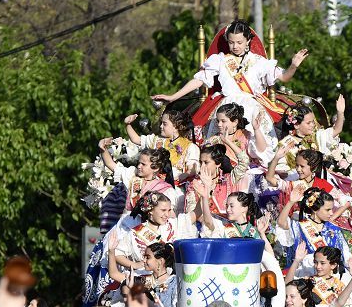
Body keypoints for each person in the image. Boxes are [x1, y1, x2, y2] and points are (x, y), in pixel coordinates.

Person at [152, 19, 309, 151]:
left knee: (257, 144)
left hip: (252, 107)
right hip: (225, 107)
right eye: (231, 42)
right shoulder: (220, 60)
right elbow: (199, 80)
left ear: (248, 40)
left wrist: (293, 65)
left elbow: (284, 77)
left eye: (239, 42)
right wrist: (173, 96)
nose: (235, 46)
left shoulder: (259, 62)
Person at [124, 107, 200, 186]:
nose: (160, 126)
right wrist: (127, 124)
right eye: (161, 123)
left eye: (164, 124)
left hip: (174, 185)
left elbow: (192, 170)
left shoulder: (190, 146)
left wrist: (181, 177)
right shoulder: (156, 139)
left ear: (176, 127)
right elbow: (136, 139)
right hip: (151, 182)